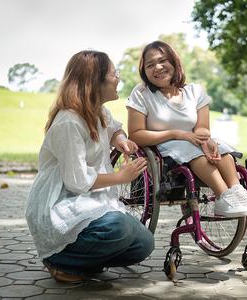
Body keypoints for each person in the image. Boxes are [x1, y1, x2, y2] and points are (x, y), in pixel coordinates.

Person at [26, 50, 154, 283]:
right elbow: (76, 182)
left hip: (89, 201)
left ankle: (84, 261)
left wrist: (121, 140)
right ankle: (59, 260)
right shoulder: (69, 121)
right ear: (96, 81)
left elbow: (114, 128)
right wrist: (121, 177)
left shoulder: (98, 111)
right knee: (120, 227)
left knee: (144, 244)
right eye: (115, 74)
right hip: (60, 204)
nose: (119, 79)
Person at [127, 41, 247, 218]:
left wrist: (207, 141)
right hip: (162, 151)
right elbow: (136, 135)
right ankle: (223, 196)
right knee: (193, 151)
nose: (157, 67)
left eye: (162, 61)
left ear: (174, 62)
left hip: (193, 143)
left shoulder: (194, 91)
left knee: (220, 149)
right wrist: (177, 134)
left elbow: (202, 129)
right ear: (144, 71)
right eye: (150, 65)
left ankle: (237, 192)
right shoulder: (142, 93)